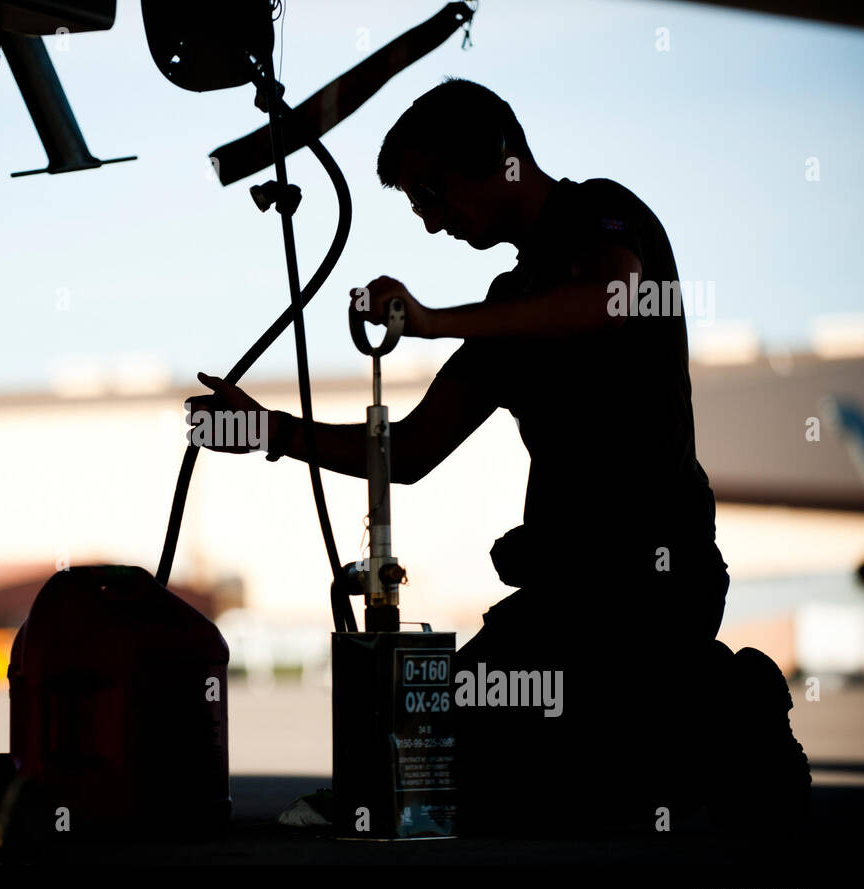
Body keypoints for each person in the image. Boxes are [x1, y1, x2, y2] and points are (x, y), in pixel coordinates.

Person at [188, 78, 809, 835]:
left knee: (592, 786)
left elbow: (610, 302)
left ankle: (720, 700)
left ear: (497, 156)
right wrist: (274, 433)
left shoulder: (604, 216)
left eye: (430, 189)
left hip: (653, 584)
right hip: (562, 600)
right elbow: (412, 449)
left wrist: (435, 320)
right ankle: (663, 730)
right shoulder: (508, 307)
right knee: (437, 769)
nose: (429, 218)